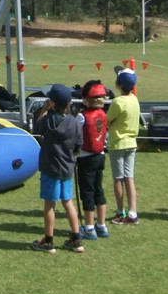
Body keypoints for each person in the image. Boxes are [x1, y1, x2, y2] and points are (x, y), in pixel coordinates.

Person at [30, 84, 85, 254]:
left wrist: (45, 108)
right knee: (68, 202)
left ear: (53, 102)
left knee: (50, 204)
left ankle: (48, 240)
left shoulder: (48, 120)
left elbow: (37, 127)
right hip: (67, 168)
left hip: (50, 168)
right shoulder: (74, 122)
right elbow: (78, 146)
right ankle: (76, 239)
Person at [76, 80, 110, 240]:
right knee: (98, 189)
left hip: (85, 157)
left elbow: (75, 136)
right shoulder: (103, 115)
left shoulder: (82, 117)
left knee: (87, 191)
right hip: (100, 155)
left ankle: (89, 227)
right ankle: (101, 225)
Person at [107, 68, 141, 225]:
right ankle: (133, 212)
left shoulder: (118, 102)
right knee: (129, 178)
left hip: (118, 143)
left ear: (119, 84)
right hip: (132, 143)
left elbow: (108, 120)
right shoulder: (134, 99)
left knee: (118, 179)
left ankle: (121, 212)